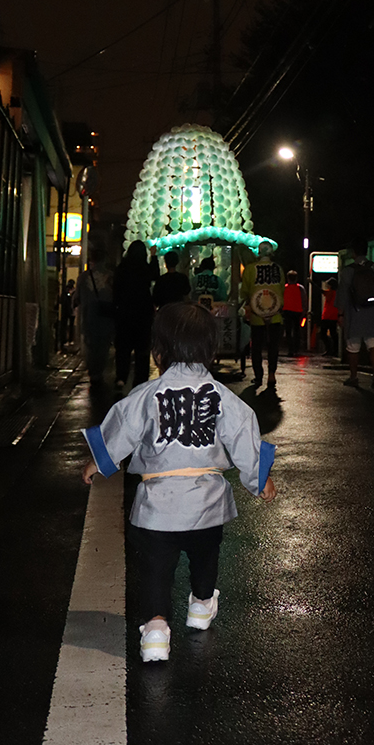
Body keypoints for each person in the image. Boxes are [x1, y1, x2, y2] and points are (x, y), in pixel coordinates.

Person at [80, 301, 278, 663]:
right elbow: (243, 437)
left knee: (156, 569)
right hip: (207, 504)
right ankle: (201, 606)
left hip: (158, 506)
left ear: (158, 352)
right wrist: (259, 479)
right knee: (205, 559)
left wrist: (98, 463)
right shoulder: (222, 397)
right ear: (212, 352)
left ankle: (156, 631)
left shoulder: (146, 395)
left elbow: (121, 431)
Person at [336, 237, 374, 388]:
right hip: (373, 313)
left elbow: (342, 295)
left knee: (353, 347)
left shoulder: (348, 271)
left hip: (354, 313)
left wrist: (340, 314)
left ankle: (353, 377)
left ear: (353, 252)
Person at [239, 240, 285, 391]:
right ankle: (271, 374)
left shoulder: (250, 269)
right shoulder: (278, 268)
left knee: (257, 347)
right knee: (273, 346)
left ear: (258, 253)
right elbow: (281, 290)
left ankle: (258, 376)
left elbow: (245, 291)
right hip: (275, 313)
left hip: (256, 314)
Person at [114, 240, 158, 392]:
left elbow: (116, 290)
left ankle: (121, 377)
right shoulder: (144, 268)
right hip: (142, 313)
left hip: (125, 312)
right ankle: (140, 379)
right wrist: (154, 256)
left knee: (123, 348)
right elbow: (155, 275)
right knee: (142, 349)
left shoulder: (122, 268)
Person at [78, 256, 116, 389]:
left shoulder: (83, 277)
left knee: (91, 345)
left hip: (89, 315)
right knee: (103, 345)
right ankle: (99, 371)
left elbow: (77, 297)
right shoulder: (111, 276)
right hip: (106, 315)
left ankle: (93, 372)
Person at [282, 270, 305, 356]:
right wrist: (304, 310)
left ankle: (290, 349)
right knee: (297, 331)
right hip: (297, 311)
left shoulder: (284, 288)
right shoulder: (300, 288)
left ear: (287, 278)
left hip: (287, 311)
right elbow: (304, 300)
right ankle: (296, 349)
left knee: (288, 331)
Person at [317, 277, 340, 356]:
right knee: (334, 334)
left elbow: (321, 291)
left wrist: (312, 283)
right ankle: (335, 350)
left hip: (327, 316)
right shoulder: (337, 293)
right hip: (334, 316)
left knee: (323, 334)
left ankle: (329, 349)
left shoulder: (330, 292)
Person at [60, 279, 76, 349]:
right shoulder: (68, 291)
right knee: (69, 325)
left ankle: (69, 339)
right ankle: (68, 339)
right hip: (69, 310)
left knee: (67, 325)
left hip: (68, 310)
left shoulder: (67, 291)